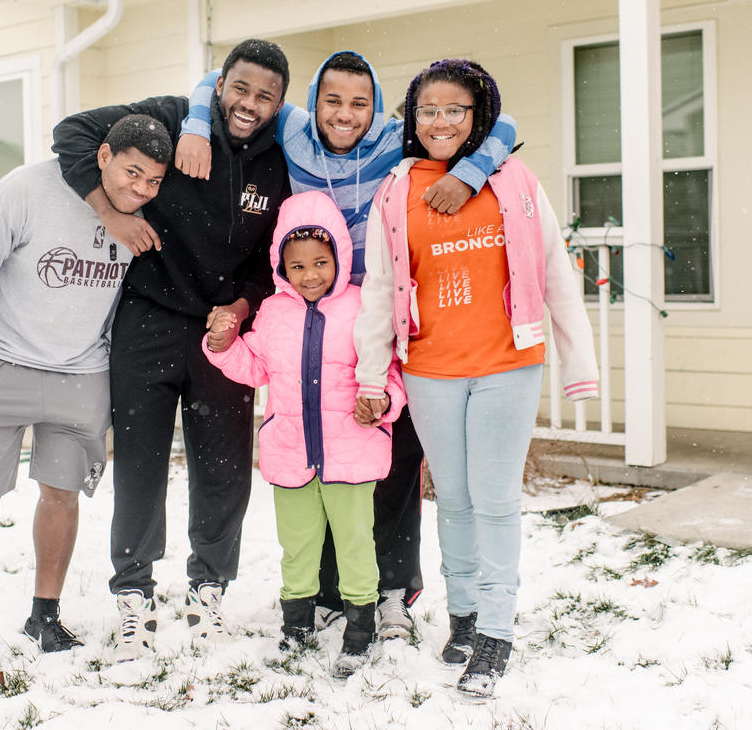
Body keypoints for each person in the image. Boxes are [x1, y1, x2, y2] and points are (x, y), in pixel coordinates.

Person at [175, 51, 517, 638]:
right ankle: (333, 592)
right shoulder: (292, 127)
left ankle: (391, 590)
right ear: (312, 103)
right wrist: (195, 125)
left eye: (360, 103)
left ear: (377, 109)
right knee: (324, 459)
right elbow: (215, 81)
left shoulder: (396, 136)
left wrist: (468, 172)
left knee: (390, 458)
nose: (345, 114)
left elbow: (500, 125)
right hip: (311, 305)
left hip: (381, 311)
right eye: (332, 100)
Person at [353, 59, 598, 698]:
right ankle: (462, 613)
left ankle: (495, 630)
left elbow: (556, 274)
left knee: (494, 499)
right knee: (454, 498)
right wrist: (373, 372)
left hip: (507, 364)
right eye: (428, 109)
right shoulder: (397, 188)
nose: (440, 121)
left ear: (477, 115)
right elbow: (380, 287)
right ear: (413, 118)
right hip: (430, 368)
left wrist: (582, 364)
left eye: (455, 109)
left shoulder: (514, 181)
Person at [51, 39, 291, 662]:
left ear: (280, 104)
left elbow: (273, 263)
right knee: (140, 463)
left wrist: (241, 310)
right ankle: (133, 595)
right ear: (217, 84)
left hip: (223, 333)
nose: (249, 104)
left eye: (265, 95)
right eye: (239, 88)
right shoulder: (168, 117)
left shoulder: (281, 159)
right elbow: (73, 133)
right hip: (149, 320)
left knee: (225, 468)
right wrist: (110, 213)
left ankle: (209, 589)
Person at [0, 114, 172, 687]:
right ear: (105, 155)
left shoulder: (141, 214)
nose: (139, 189)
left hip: (80, 373)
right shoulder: (25, 190)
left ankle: (45, 616)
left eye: (153, 181)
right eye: (132, 172)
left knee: (62, 494)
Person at [203, 190, 405, 678]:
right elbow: (253, 367)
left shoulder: (362, 308)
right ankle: (296, 621)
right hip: (291, 452)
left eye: (321, 262)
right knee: (298, 543)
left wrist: (381, 402)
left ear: (340, 255)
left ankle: (361, 623)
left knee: (356, 540)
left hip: (351, 451)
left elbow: (391, 373)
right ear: (280, 266)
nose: (311, 274)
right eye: (297, 266)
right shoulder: (273, 313)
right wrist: (220, 344)